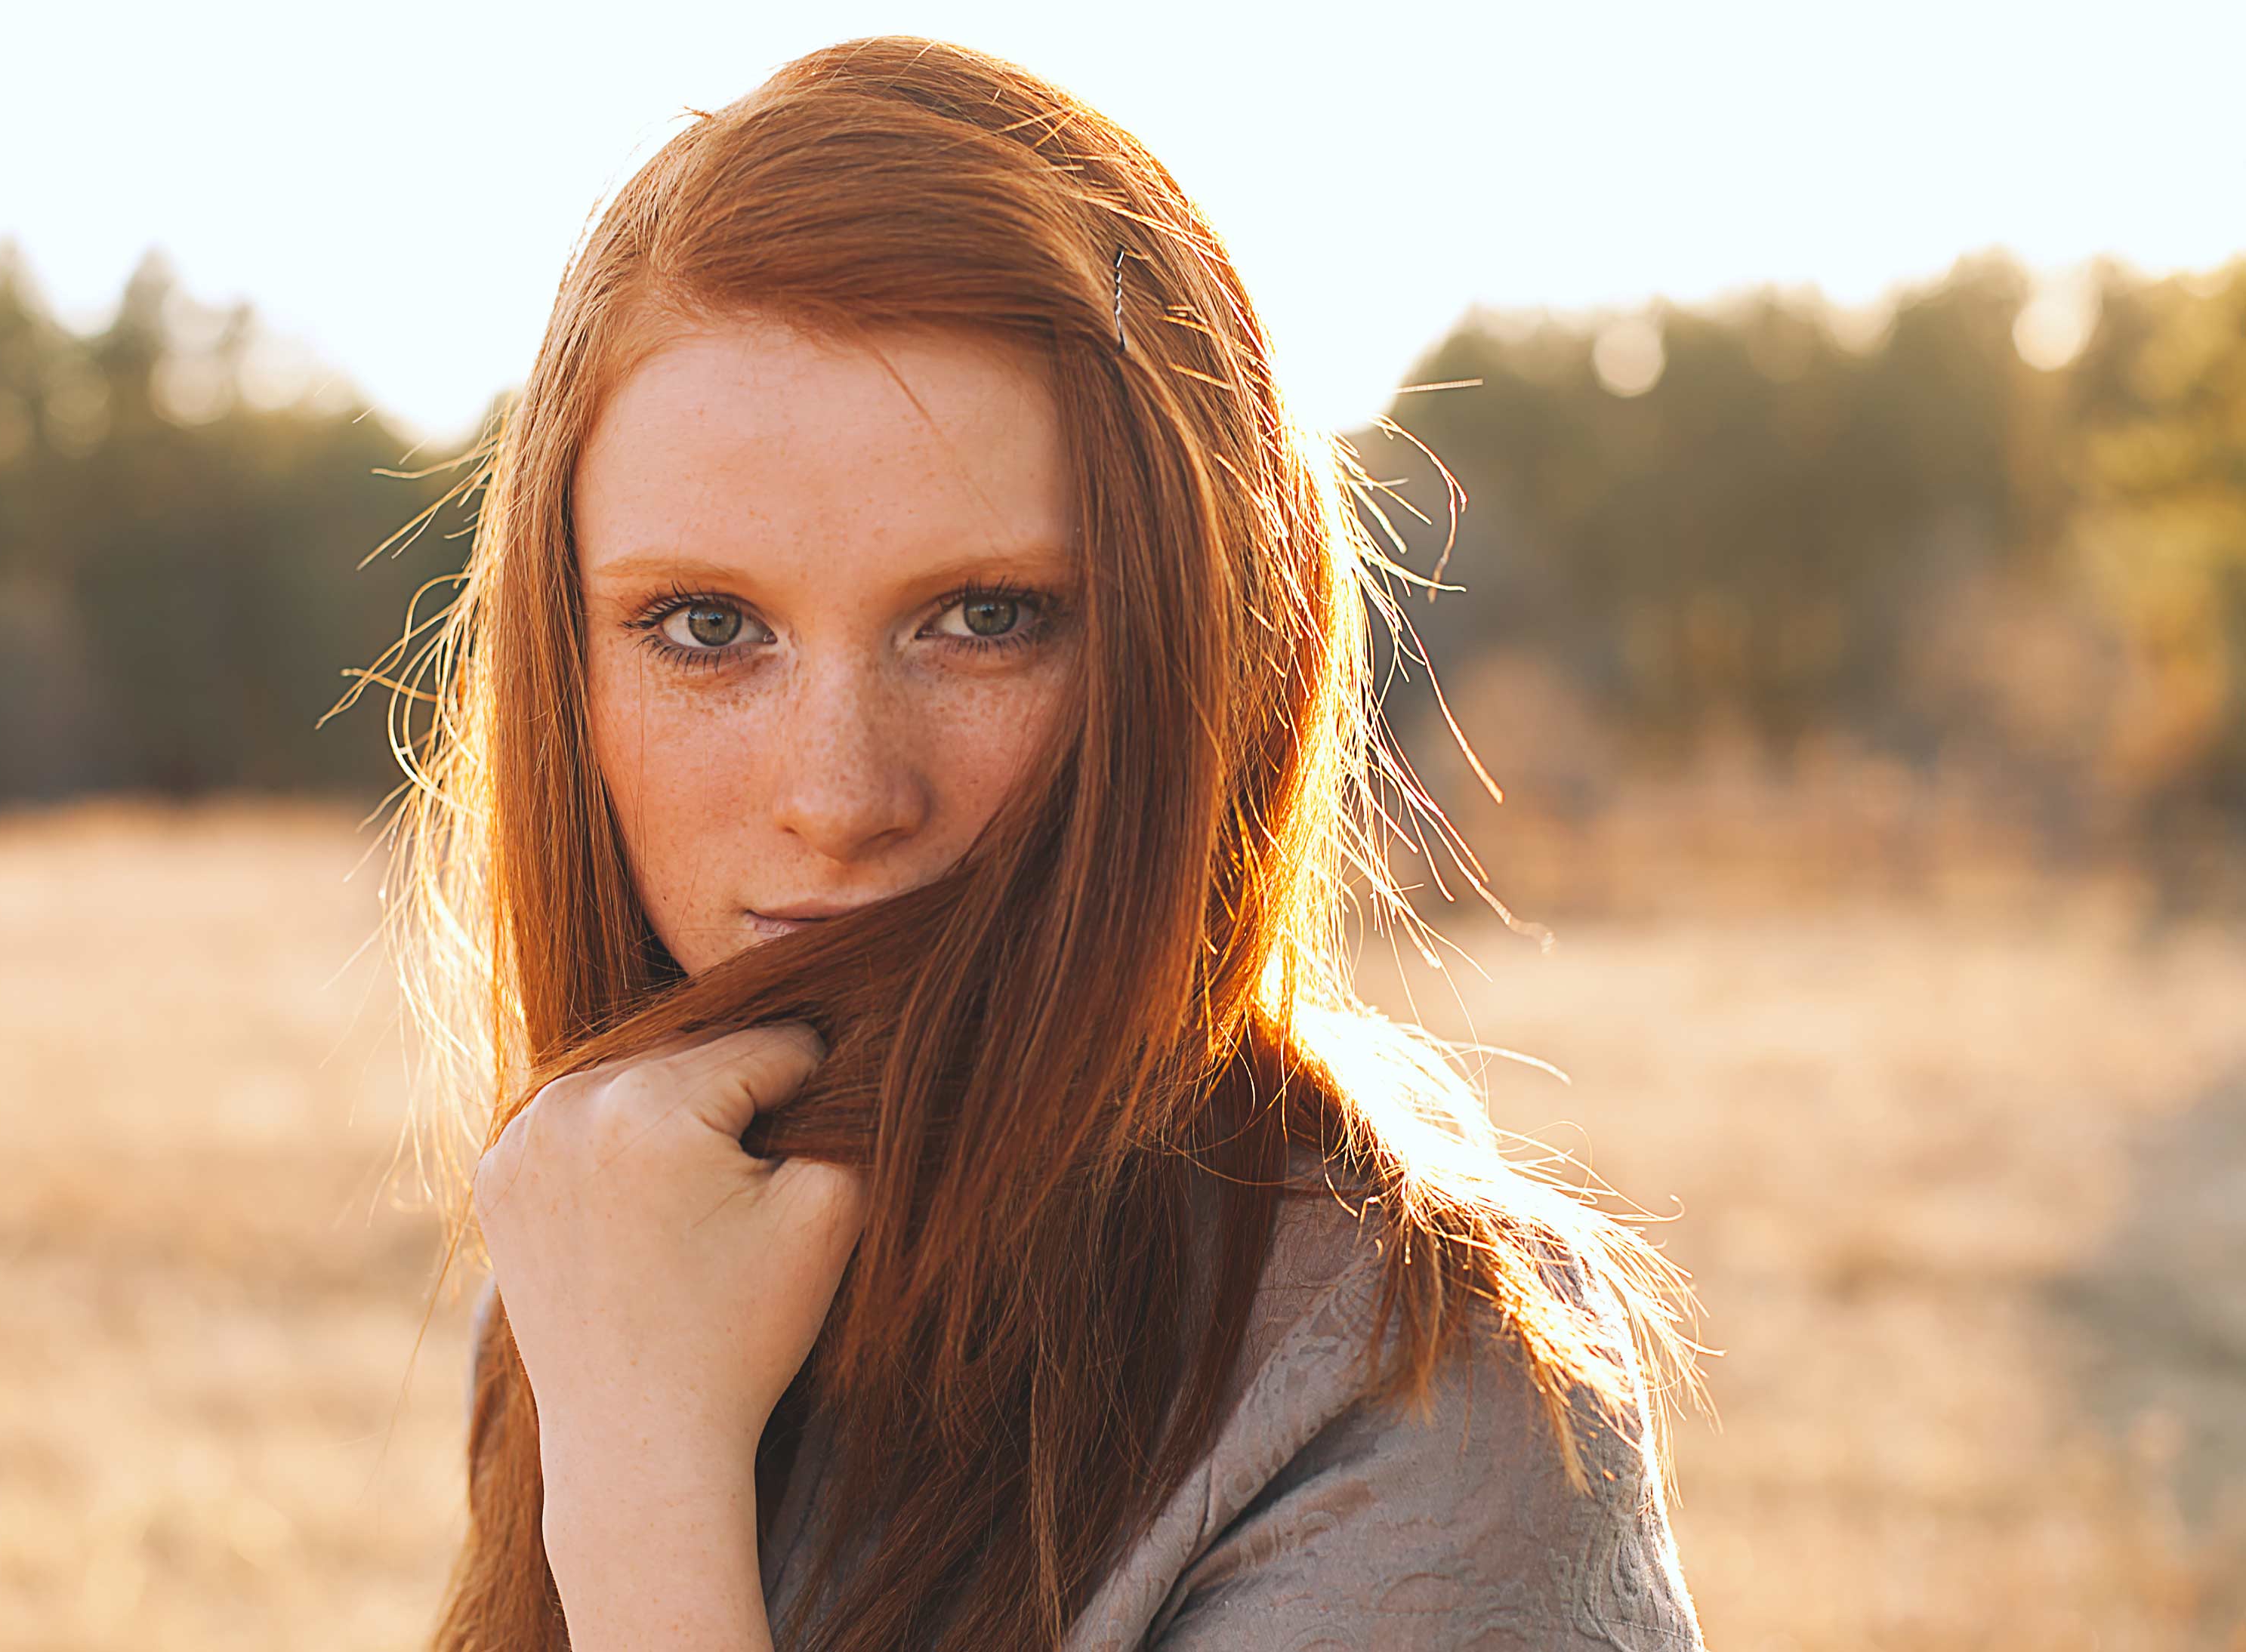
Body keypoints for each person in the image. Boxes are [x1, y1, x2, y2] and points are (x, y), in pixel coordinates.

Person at [373, 35, 1705, 1651]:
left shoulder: (1426, 1396)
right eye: (706, 624)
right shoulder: (605, 1257)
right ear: (563, 673)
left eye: (985, 618)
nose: (840, 791)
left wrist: (645, 1500)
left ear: (1206, 652)